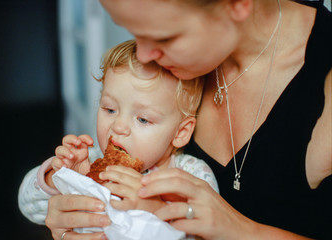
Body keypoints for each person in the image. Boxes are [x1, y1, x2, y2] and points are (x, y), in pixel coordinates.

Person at [38, 0, 331, 239]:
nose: (144, 55)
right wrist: (70, 222)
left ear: (237, 4)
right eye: (134, 32)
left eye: (164, 37)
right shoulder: (166, 68)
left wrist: (238, 229)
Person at [18, 40, 219, 239]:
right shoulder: (93, 162)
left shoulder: (192, 176)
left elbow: (207, 234)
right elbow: (28, 207)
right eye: (110, 109)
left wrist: (156, 209)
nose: (118, 126)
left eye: (143, 119)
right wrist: (61, 177)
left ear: (180, 133)